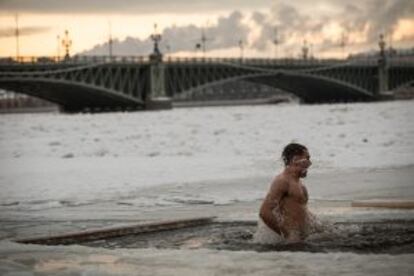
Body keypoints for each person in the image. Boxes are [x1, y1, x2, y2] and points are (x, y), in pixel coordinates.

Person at [254, 143, 313, 243]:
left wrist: (320, 228)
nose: (310, 163)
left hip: (299, 240)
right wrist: (287, 235)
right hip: (287, 245)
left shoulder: (299, 184)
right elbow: (265, 212)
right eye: (306, 159)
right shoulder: (282, 181)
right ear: (295, 159)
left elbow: (301, 211)